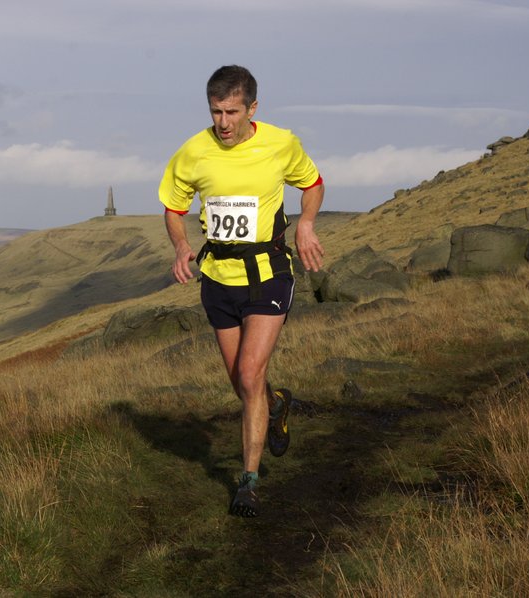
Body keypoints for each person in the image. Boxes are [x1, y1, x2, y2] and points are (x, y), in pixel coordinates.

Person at [158, 65, 325, 517]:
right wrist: (181, 246)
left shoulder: (281, 143)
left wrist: (306, 224)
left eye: (232, 112)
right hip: (218, 278)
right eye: (216, 112)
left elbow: (312, 184)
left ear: (253, 108)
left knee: (250, 374)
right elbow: (174, 208)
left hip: (269, 272)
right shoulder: (193, 152)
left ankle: (248, 483)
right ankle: (276, 404)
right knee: (242, 383)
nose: (223, 122)